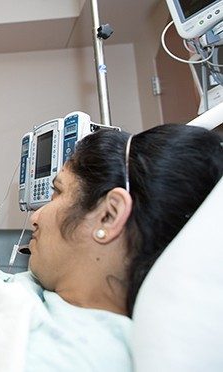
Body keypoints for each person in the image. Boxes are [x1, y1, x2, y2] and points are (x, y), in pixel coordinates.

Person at [15, 123, 223, 370]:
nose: (35, 218)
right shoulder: (39, 300)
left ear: (109, 216)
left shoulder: (62, 358)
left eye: (58, 192)